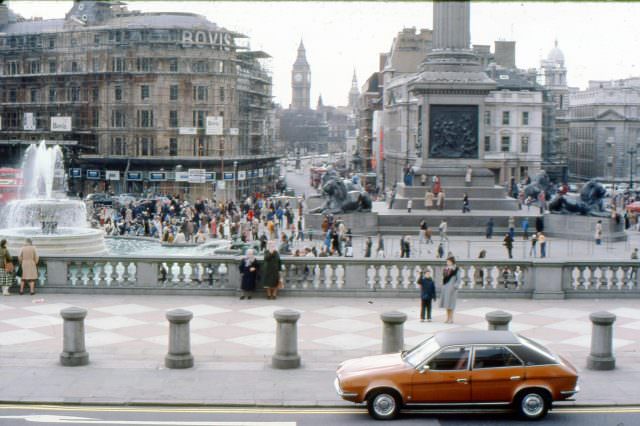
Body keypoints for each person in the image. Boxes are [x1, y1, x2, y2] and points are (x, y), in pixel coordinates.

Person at [440, 256, 460, 324]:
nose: (447, 262)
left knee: (451, 304)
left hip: (452, 288)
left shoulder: (456, 269)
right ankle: (447, 318)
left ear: (452, 262)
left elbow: (458, 279)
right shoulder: (446, 269)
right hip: (446, 288)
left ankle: (451, 318)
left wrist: (455, 286)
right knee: (447, 304)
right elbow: (444, 278)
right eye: (447, 261)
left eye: (448, 261)